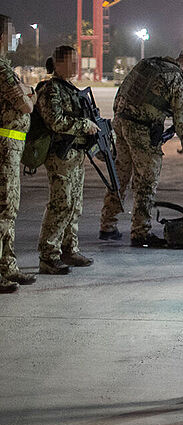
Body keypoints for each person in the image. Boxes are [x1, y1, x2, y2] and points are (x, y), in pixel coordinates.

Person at [100, 47, 183, 247]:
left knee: (120, 176)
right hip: (142, 131)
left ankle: (108, 225)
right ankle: (141, 232)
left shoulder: (148, 64)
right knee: (146, 180)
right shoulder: (177, 78)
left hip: (121, 123)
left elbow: (122, 92)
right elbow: (181, 117)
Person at [35, 46, 98, 275]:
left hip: (74, 154)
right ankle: (48, 256)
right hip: (59, 155)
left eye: (76, 61)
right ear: (58, 63)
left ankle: (68, 248)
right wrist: (84, 125)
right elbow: (55, 121)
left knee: (74, 204)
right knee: (61, 203)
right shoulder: (51, 89)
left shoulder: (69, 88)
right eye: (71, 62)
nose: (76, 66)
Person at [0, 51, 34, 291]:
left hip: (10, 148)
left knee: (8, 209)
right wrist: (29, 94)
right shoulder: (2, 71)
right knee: (4, 209)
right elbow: (26, 105)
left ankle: (7, 265)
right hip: (4, 149)